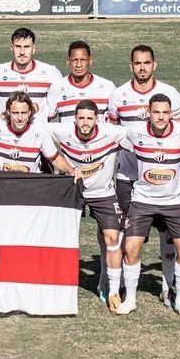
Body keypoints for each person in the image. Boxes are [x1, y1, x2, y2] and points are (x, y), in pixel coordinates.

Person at [106, 45, 180, 304]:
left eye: (147, 63)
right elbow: (112, 132)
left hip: (164, 178)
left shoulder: (169, 93)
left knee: (167, 233)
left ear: (154, 64)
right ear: (131, 66)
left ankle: (168, 284)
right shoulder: (119, 94)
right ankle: (123, 288)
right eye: (138, 63)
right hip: (128, 177)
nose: (142, 67)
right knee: (128, 235)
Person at [116, 94, 180, 316]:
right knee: (130, 248)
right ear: (148, 112)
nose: (161, 117)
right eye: (156, 112)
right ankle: (130, 299)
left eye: (165, 112)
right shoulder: (134, 132)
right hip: (142, 199)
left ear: (171, 113)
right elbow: (118, 149)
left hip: (175, 201)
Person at [49, 100, 127, 312]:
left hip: (103, 193)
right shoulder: (61, 131)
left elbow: (140, 134)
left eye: (89, 118)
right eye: (81, 118)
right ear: (74, 119)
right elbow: (33, 125)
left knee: (112, 238)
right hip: (73, 191)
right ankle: (56, 284)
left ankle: (111, 289)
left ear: (97, 119)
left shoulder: (112, 133)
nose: (85, 123)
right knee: (60, 237)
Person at [0, 92, 74, 176]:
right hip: (2, 185)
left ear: (29, 112)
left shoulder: (39, 128)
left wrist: (71, 170)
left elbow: (54, 158)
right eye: (15, 113)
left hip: (30, 186)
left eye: (24, 113)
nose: (20, 118)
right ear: (8, 112)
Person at [0, 27, 62, 115]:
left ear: (33, 48)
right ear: (11, 48)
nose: (22, 52)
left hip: (38, 128)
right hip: (6, 128)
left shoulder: (51, 73)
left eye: (26, 47)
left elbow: (55, 110)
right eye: (18, 47)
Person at [45, 41, 114, 122]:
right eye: (75, 60)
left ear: (90, 60)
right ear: (68, 61)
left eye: (83, 60)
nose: (79, 65)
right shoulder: (56, 88)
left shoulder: (108, 87)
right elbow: (48, 120)